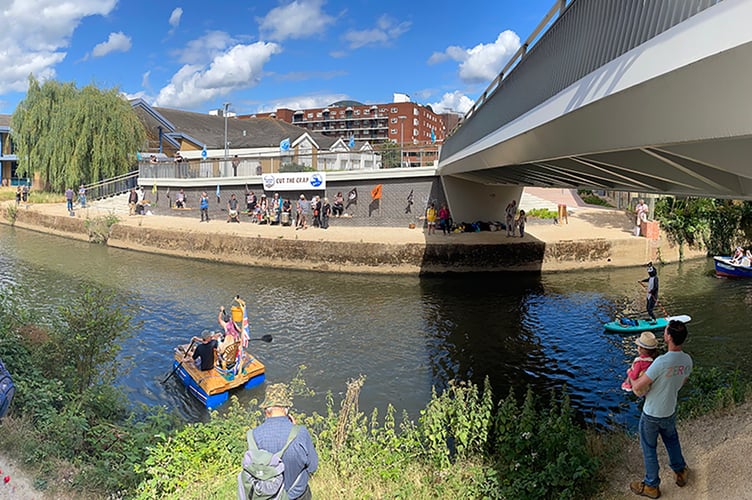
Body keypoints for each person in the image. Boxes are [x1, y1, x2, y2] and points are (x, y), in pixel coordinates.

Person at [629, 320, 692, 498]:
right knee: (672, 441)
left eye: (665, 331)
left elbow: (637, 387)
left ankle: (651, 485)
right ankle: (680, 471)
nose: (664, 333)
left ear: (669, 337)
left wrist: (630, 376)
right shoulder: (687, 360)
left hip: (651, 413)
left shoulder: (661, 362)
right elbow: (681, 383)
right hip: (669, 410)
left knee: (649, 448)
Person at [250, 383, 318, 500]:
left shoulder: (254, 435)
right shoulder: (301, 432)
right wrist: (295, 429)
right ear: (287, 409)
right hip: (298, 495)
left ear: (266, 410)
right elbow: (313, 466)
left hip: (268, 496)